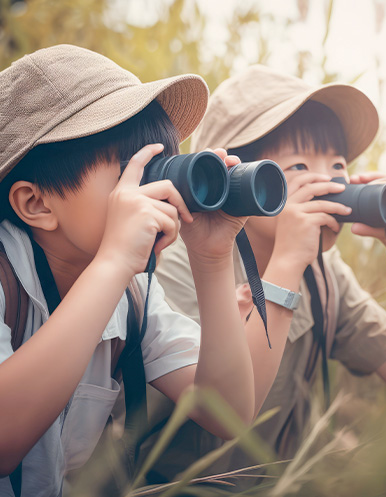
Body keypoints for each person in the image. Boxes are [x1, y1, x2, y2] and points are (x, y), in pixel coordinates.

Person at [0, 47, 287, 497]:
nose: (156, 190)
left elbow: (227, 413)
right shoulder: (18, 279)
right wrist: (114, 261)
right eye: (129, 171)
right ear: (36, 203)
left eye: (159, 166)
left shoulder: (132, 294)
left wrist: (211, 257)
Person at [150, 64, 386, 486]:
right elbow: (226, 413)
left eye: (338, 164)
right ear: (239, 181)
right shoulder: (181, 265)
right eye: (300, 166)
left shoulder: (324, 273)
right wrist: (285, 263)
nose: (329, 184)